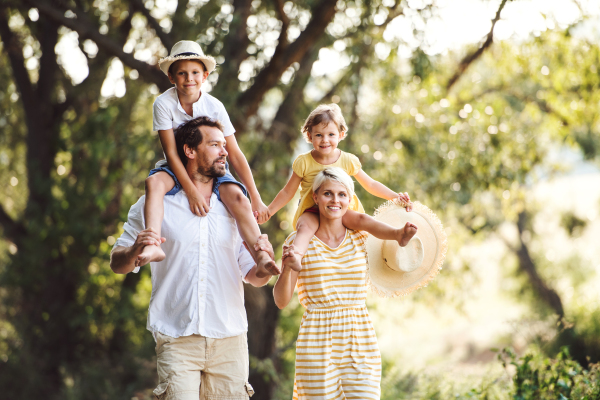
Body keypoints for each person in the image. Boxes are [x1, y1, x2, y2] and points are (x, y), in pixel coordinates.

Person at [110, 116, 280, 400]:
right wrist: (134, 251)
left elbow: (252, 275)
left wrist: (266, 268)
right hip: (176, 338)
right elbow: (117, 263)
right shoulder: (154, 204)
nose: (224, 151)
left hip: (230, 339)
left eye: (224, 145)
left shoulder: (234, 204)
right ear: (189, 150)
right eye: (215, 145)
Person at [273, 167, 417, 400]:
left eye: (342, 194)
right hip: (317, 338)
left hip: (358, 336)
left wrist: (401, 214)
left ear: (350, 200)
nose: (335, 200)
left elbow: (396, 264)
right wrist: (288, 267)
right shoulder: (298, 242)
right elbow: (280, 301)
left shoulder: (362, 237)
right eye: (328, 194)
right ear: (316, 196)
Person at [138, 40, 274, 274]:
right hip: (177, 165)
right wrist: (191, 191)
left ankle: (260, 255)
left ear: (205, 75)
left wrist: (256, 197)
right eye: (181, 73)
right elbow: (171, 152)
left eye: (194, 72)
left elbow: (235, 153)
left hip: (211, 165)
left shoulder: (214, 106)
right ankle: (152, 244)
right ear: (171, 77)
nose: (189, 78)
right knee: (154, 183)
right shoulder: (163, 103)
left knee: (238, 198)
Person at [260, 103, 414, 259]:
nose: (325, 140)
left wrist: (395, 197)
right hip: (312, 210)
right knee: (305, 227)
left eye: (331, 135)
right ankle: (296, 255)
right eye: (319, 135)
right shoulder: (304, 162)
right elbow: (287, 191)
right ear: (309, 136)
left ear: (340, 134)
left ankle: (397, 234)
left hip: (339, 209)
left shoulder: (347, 160)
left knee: (363, 219)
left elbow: (371, 184)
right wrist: (270, 210)